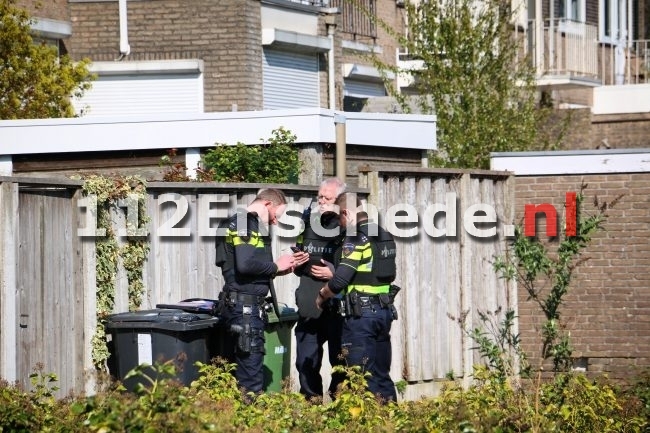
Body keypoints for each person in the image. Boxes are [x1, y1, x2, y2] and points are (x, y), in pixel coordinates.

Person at [214, 188, 308, 395]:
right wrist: (275, 266)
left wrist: (280, 270)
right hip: (244, 310)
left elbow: (242, 271)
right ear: (268, 205)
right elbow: (245, 265)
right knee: (251, 381)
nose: (275, 222)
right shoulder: (245, 223)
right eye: (276, 215)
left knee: (235, 375)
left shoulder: (235, 222)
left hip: (236, 305)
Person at [316, 192, 398, 403]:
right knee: (381, 376)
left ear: (346, 213)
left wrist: (322, 295)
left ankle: (364, 424)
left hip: (361, 318)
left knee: (359, 378)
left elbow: (340, 281)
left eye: (340, 219)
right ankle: (389, 421)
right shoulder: (383, 234)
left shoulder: (355, 237)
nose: (340, 226)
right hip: (383, 313)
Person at [293, 177, 347, 401]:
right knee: (305, 361)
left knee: (341, 363)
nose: (322, 201)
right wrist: (298, 261)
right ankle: (311, 407)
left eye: (328, 198)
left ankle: (339, 406)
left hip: (336, 306)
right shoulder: (308, 221)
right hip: (309, 304)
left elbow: (359, 267)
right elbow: (298, 258)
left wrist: (333, 273)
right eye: (320, 197)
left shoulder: (348, 227)